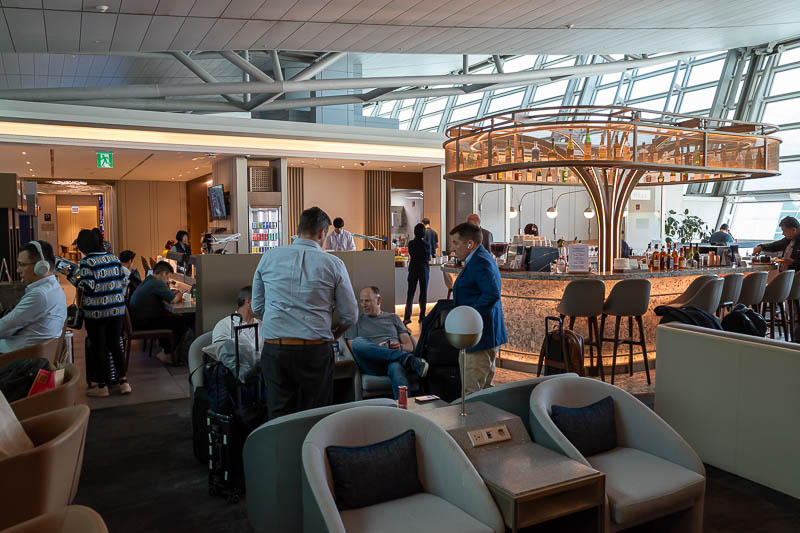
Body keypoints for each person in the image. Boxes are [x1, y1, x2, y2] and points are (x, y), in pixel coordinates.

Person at [252, 206, 358, 419]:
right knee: (315, 415)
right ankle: (309, 453)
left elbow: (257, 307)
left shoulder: (269, 257)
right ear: (322, 233)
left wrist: (280, 323)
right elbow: (350, 315)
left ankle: (281, 452)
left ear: (298, 229)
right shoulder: (334, 263)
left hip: (275, 350)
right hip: (314, 351)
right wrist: (335, 335)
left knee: (279, 415)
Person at [449, 222, 507, 395]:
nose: (454, 249)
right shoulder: (479, 258)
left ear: (470, 244)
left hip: (479, 337)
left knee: (471, 393)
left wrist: (468, 317)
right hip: (482, 335)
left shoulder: (480, 261)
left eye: (456, 243)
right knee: (484, 392)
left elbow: (491, 294)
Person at [345, 287, 429, 399]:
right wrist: (377, 349)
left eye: (367, 301)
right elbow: (353, 348)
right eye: (361, 301)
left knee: (396, 369)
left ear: (378, 300)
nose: (363, 305)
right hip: (371, 363)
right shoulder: (356, 321)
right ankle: (408, 360)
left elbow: (409, 346)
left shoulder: (393, 318)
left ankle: (406, 411)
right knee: (358, 342)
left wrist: (399, 346)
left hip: (393, 361)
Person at [75, 229, 130, 397]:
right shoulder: (113, 258)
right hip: (117, 309)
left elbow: (88, 287)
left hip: (97, 312)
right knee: (115, 344)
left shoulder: (87, 262)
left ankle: (102, 387)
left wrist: (72, 278)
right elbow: (122, 279)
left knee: (99, 348)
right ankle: (123, 382)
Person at [0, 240, 67, 354]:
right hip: (32, 351)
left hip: (16, 356)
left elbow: (3, 328)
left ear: (41, 267)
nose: (18, 270)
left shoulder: (40, 295)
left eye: (22, 265)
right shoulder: (53, 287)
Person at [129, 261, 187, 364]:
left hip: (137, 320)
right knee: (180, 323)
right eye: (168, 277)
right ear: (163, 273)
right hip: (144, 323)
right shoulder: (157, 283)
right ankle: (168, 354)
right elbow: (173, 300)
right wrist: (180, 293)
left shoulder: (148, 280)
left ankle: (166, 351)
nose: (168, 280)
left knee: (170, 319)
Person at [212, 286, 258, 351]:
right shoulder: (224, 325)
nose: (263, 305)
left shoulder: (262, 325)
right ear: (248, 301)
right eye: (260, 301)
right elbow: (220, 354)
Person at [404, 223, 431, 325]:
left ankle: (407, 317)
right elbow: (428, 258)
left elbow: (411, 254)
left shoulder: (410, 244)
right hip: (424, 269)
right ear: (424, 233)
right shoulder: (426, 245)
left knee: (410, 293)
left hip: (413, 268)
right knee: (423, 293)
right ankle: (422, 316)